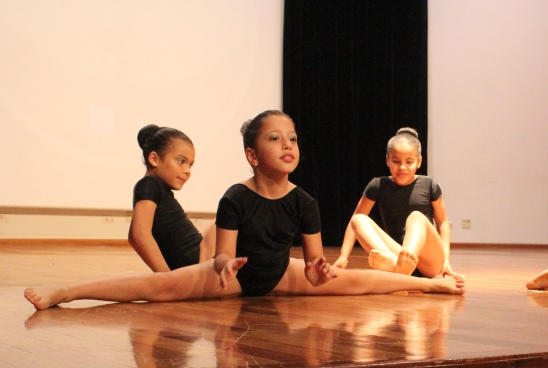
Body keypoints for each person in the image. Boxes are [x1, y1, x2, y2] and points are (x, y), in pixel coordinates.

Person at [24, 110, 465, 310]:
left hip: (280, 275)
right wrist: (222, 265)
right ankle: (67, 292)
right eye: (275, 138)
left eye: (292, 138)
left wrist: (320, 272)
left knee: (357, 283)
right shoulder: (235, 197)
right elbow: (222, 253)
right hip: (232, 280)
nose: (287, 144)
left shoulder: (305, 202)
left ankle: (427, 287)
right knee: (155, 289)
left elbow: (315, 268)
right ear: (252, 155)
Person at [334, 128, 458, 278]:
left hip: (429, 262)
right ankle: (396, 265)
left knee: (416, 217)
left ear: (419, 162)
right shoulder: (377, 185)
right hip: (397, 255)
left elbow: (442, 221)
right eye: (396, 161)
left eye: (409, 162)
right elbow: (354, 223)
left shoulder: (429, 184)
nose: (402, 167)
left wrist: (446, 260)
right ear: (388, 160)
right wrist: (343, 257)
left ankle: (401, 269)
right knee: (358, 219)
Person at [129, 125, 215, 271]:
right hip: (196, 261)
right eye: (181, 161)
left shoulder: (156, 187)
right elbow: (138, 235)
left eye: (190, 165)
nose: (187, 171)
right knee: (234, 207)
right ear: (154, 159)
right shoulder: (149, 184)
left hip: (197, 256)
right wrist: (165, 276)